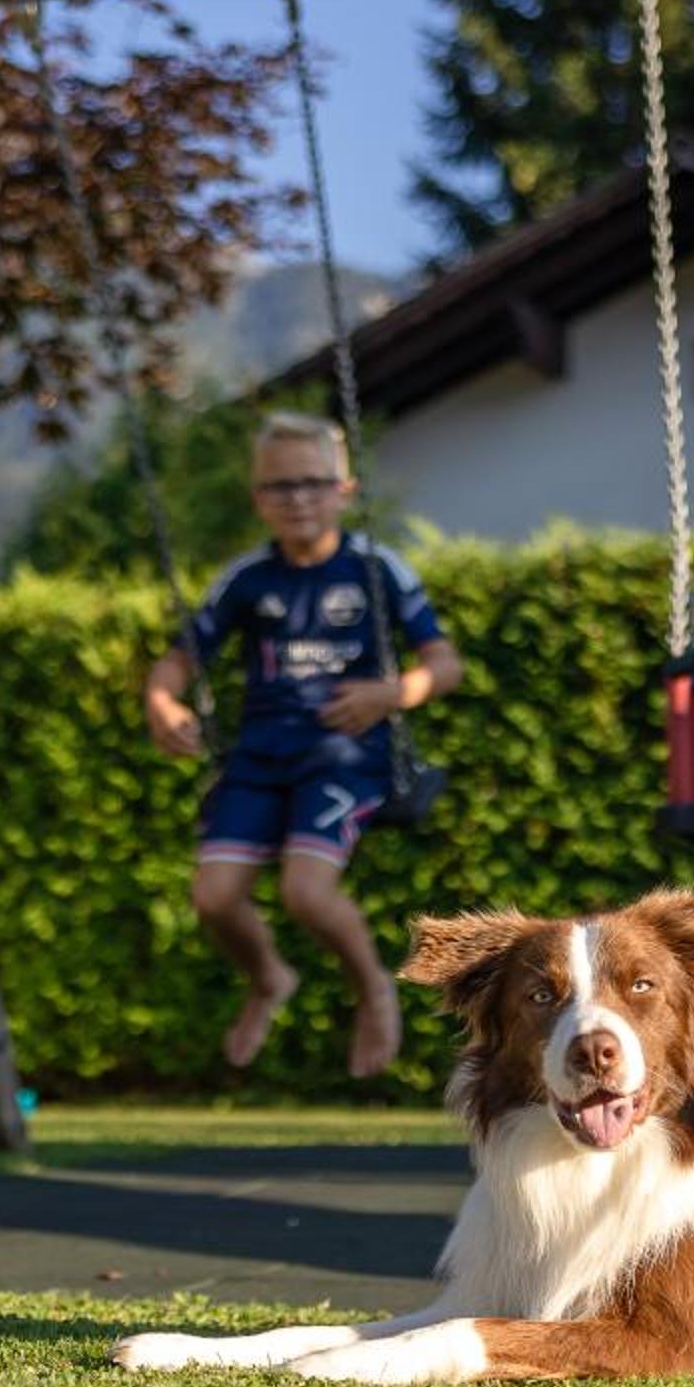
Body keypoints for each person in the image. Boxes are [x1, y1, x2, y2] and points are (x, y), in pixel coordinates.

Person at [142, 412, 464, 1078]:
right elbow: (177, 661)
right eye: (280, 487)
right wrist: (162, 703)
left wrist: (391, 693)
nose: (297, 499)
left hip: (345, 756)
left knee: (306, 893)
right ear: (259, 498)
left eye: (313, 483)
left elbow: (444, 664)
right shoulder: (246, 579)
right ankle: (269, 977)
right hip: (260, 757)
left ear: (344, 490)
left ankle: (375, 991)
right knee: (213, 897)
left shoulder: (376, 568)